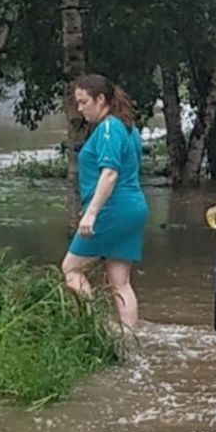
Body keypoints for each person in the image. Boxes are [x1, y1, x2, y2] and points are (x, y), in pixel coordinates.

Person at [61, 75, 149, 330]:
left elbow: (109, 173)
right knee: (120, 282)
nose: (80, 109)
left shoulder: (109, 128)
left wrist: (90, 213)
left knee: (71, 269)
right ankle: (130, 339)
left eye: (83, 102)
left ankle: (97, 327)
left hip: (112, 209)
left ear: (101, 99)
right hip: (133, 208)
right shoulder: (127, 127)